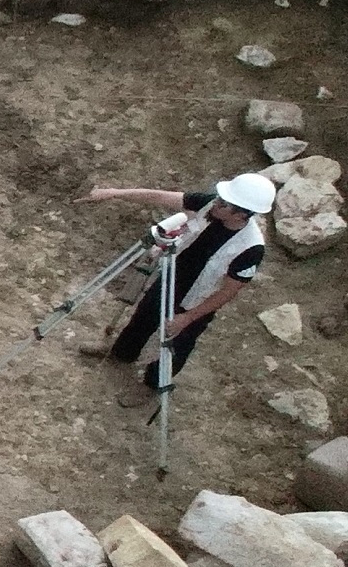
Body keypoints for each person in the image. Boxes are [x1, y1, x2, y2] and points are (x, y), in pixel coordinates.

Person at [80, 174, 277, 407]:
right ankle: (121, 354)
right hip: (172, 277)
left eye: (224, 203)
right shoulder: (210, 204)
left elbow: (229, 291)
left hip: (197, 300)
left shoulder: (250, 248)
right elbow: (161, 197)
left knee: (175, 347)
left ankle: (153, 385)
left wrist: (188, 318)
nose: (216, 203)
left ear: (241, 214)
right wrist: (114, 192)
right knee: (143, 318)